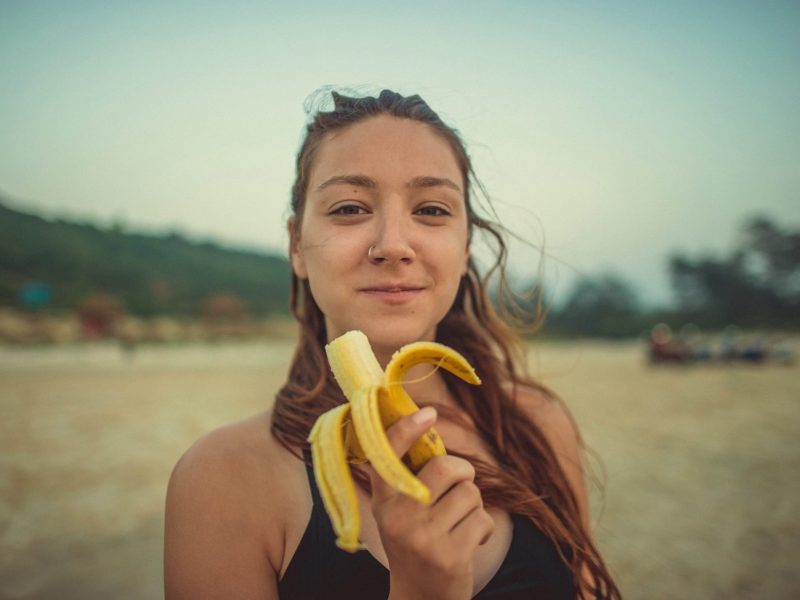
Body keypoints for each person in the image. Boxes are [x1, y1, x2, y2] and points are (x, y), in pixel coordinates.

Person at [164, 89, 621, 599]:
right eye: (350, 208)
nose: (394, 245)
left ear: (465, 246)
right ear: (297, 245)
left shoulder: (537, 425)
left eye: (430, 209)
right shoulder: (222, 479)